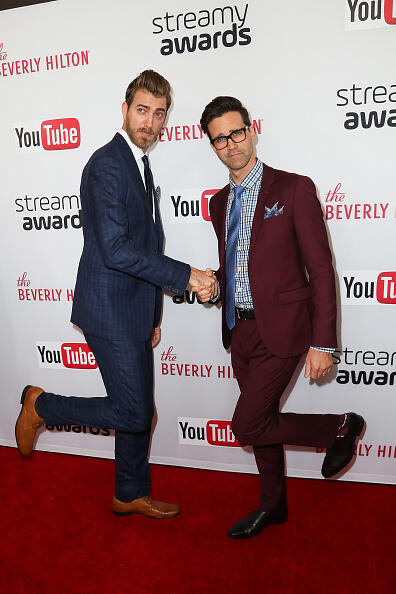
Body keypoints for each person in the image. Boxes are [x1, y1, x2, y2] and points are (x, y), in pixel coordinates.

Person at [15, 70, 216, 519]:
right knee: (135, 412)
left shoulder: (141, 166)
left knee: (137, 410)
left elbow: (147, 247)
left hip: (135, 309)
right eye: (142, 110)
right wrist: (188, 277)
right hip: (108, 308)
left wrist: (153, 312)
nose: (150, 121)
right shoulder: (106, 163)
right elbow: (117, 249)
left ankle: (128, 492)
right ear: (124, 110)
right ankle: (40, 404)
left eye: (159, 114)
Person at [195, 96, 365, 539]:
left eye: (236, 133)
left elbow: (321, 269)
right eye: (219, 139)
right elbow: (239, 264)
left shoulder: (293, 188)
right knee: (263, 419)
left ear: (251, 131)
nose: (230, 144)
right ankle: (274, 506)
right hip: (239, 330)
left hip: (284, 330)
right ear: (211, 145)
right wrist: (213, 283)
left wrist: (323, 342)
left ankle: (339, 426)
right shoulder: (217, 204)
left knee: (248, 423)